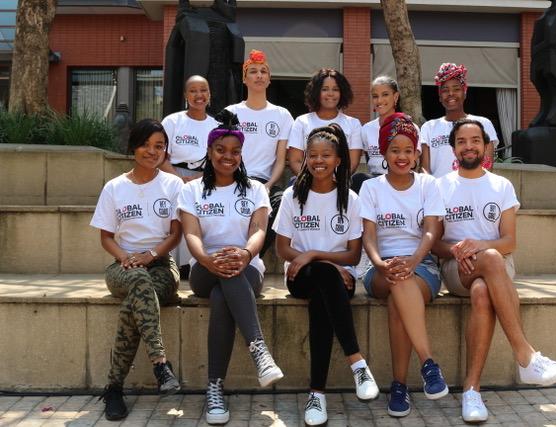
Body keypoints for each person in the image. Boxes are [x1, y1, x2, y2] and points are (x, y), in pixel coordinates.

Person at [433, 119, 556, 423]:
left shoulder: (501, 186)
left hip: (494, 265)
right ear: (453, 148)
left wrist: (479, 246)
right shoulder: (441, 186)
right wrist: (458, 250)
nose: (468, 146)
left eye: (474, 140)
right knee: (491, 260)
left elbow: (510, 241)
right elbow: (436, 244)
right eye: (461, 141)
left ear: (485, 146)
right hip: (458, 269)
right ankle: (525, 355)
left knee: (484, 289)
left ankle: (471, 391)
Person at [177, 109, 283, 425]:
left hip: (247, 267)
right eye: (221, 150)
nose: (228, 157)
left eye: (235, 152)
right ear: (209, 153)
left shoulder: (255, 189)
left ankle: (214, 388)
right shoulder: (191, 190)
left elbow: (259, 231)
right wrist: (208, 259)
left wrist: (246, 255)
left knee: (227, 293)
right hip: (203, 270)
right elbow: (191, 234)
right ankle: (259, 350)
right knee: (223, 277)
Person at [273, 124, 379, 426]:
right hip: (299, 276)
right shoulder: (294, 195)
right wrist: (315, 260)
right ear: (306, 158)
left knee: (323, 296)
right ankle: (356, 362)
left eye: (326, 156)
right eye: (313, 155)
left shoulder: (350, 198)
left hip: (338, 281)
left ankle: (316, 395)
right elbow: (282, 248)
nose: (319, 161)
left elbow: (353, 255)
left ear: (338, 160)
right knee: (321, 275)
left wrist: (316, 256)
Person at [90, 119, 183, 421]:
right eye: (145, 144)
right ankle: (160, 363)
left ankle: (114, 388)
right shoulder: (115, 187)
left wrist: (151, 254)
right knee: (138, 282)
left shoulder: (173, 184)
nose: (152, 151)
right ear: (133, 146)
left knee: (135, 300)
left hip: (162, 266)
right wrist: (126, 258)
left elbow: (176, 234)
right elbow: (105, 237)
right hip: (122, 265)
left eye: (159, 146)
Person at [359, 113, 448, 418]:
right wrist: (380, 263)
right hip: (379, 270)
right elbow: (368, 237)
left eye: (408, 150)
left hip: (422, 266)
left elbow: (431, 231)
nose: (402, 156)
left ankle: (399, 386)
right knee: (397, 281)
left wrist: (412, 261)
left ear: (416, 153)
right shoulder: (371, 188)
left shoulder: (428, 184)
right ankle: (428, 364)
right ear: (384, 152)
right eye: (395, 150)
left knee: (401, 293)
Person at [226, 49, 293, 255]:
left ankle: (253, 256)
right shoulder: (232, 113)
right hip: (233, 179)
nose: (259, 75)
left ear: (269, 80)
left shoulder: (282, 115)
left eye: (264, 71)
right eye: (253, 71)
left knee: (282, 202)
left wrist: (269, 185)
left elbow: (281, 160)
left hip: (265, 183)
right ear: (244, 79)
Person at [161, 75, 219, 276]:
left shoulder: (216, 126)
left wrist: (198, 178)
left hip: (204, 177)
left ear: (209, 94)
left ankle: (193, 263)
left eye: (203, 90)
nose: (199, 95)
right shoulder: (172, 121)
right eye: (193, 91)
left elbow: (217, 162)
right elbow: (161, 157)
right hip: (172, 176)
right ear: (186, 95)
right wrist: (178, 178)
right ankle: (171, 263)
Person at [420, 63, 499, 178]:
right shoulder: (429, 127)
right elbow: (424, 169)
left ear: (465, 93)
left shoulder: (483, 124)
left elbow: (487, 165)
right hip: (438, 193)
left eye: (456, 89)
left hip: (473, 191)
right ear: (440, 97)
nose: (451, 94)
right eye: (445, 90)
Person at [287, 68, 363, 176]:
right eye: (325, 89)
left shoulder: (353, 124)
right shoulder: (301, 122)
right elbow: (295, 161)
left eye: (336, 89)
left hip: (340, 184)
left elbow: (352, 163)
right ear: (316, 92)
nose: (330, 94)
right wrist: (313, 183)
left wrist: (333, 183)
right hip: (306, 183)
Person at [352, 75, 421, 194]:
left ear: (396, 96)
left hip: (401, 182)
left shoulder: (410, 127)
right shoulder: (366, 129)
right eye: (375, 96)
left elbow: (414, 162)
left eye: (385, 95)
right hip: (374, 185)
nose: (379, 101)